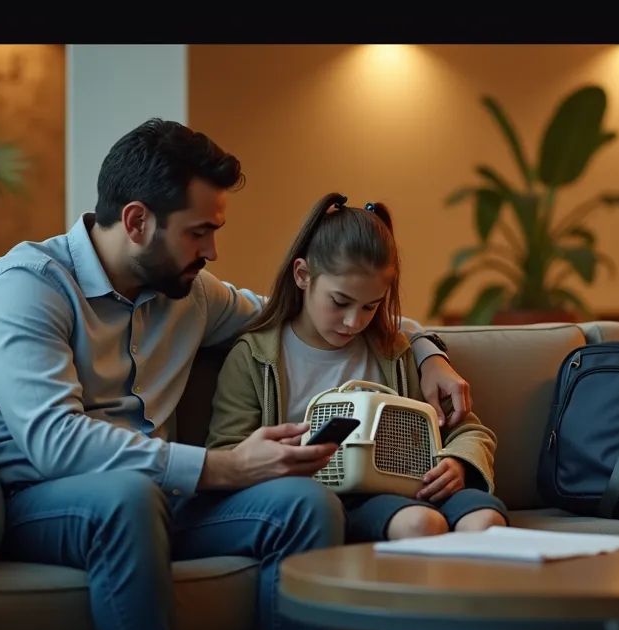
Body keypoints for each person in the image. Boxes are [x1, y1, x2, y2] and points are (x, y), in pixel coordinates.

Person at [0, 119, 476, 630]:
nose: (213, 252)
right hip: (39, 502)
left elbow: (314, 313)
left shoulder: (192, 294)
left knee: (306, 503)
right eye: (199, 232)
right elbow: (55, 442)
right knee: (128, 497)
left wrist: (429, 353)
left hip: (161, 495)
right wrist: (221, 466)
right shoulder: (27, 288)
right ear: (136, 222)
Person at [206, 193, 508, 546]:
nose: (353, 322)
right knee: (419, 524)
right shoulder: (255, 357)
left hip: (416, 485)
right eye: (340, 302)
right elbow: (227, 451)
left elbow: (470, 430)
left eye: (370, 307)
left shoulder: (394, 352)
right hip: (331, 500)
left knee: (487, 521)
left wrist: (458, 464)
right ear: (303, 275)